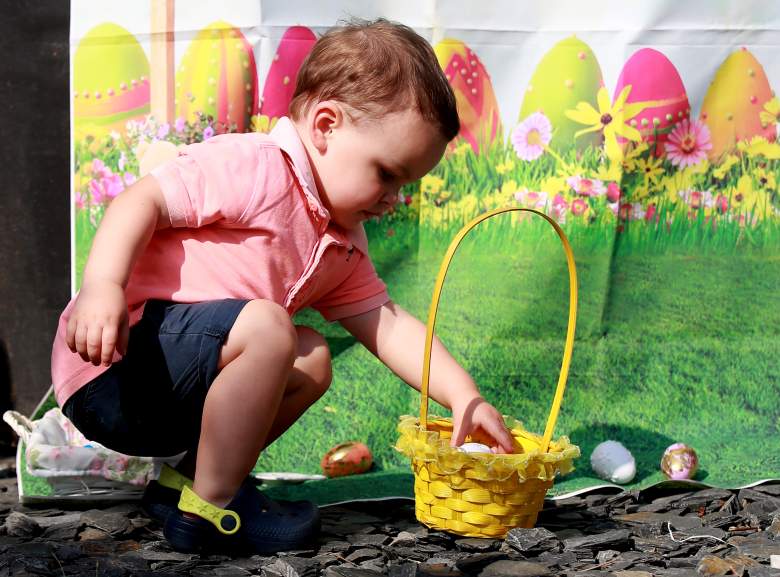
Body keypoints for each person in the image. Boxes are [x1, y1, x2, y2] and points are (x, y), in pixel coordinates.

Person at [51, 18, 516, 555]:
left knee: (311, 356)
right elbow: (141, 199)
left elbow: (386, 324)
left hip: (174, 393)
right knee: (269, 327)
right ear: (326, 126)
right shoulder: (255, 167)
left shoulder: (340, 241)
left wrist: (463, 395)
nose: (394, 198)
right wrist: (103, 284)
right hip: (118, 365)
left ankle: (189, 484)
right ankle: (211, 510)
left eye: (406, 184)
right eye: (387, 174)